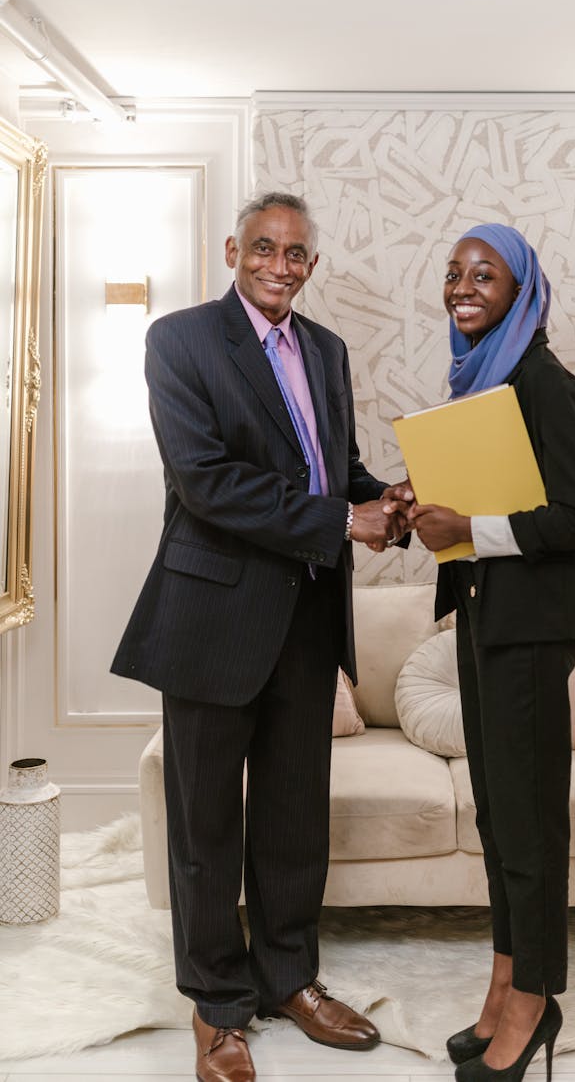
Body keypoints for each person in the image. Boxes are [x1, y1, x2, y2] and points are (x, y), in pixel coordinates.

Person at [111, 192, 410, 1082]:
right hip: (211, 616)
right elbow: (209, 483)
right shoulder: (181, 340)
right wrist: (340, 519)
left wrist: (386, 501)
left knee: (292, 818)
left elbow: (332, 468)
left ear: (311, 265)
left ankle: (291, 978)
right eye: (266, 248)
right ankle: (216, 1007)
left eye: (297, 254)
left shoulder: (327, 350)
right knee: (205, 822)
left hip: (310, 614)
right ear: (235, 249)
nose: (281, 265)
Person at [402, 224, 575, 1082]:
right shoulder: (480, 380)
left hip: (532, 628)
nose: (464, 286)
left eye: (485, 274)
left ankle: (536, 998)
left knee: (529, 820)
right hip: (486, 620)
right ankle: (503, 983)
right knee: (498, 816)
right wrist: (431, 507)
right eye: (453, 274)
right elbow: (495, 496)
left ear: (521, 287)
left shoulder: (543, 380)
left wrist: (471, 530)